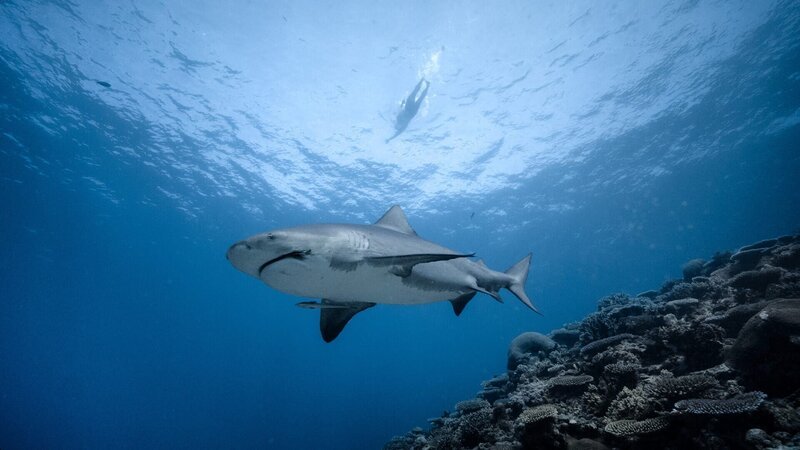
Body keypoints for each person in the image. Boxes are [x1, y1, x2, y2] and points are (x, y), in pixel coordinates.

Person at [386, 78, 429, 143]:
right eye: (398, 126)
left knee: (415, 93)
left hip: (408, 107)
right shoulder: (403, 127)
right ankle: (427, 85)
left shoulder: (397, 119)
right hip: (412, 112)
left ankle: (422, 81)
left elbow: (399, 110)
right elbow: (397, 134)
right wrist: (389, 139)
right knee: (420, 98)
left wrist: (402, 104)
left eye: (396, 125)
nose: (397, 125)